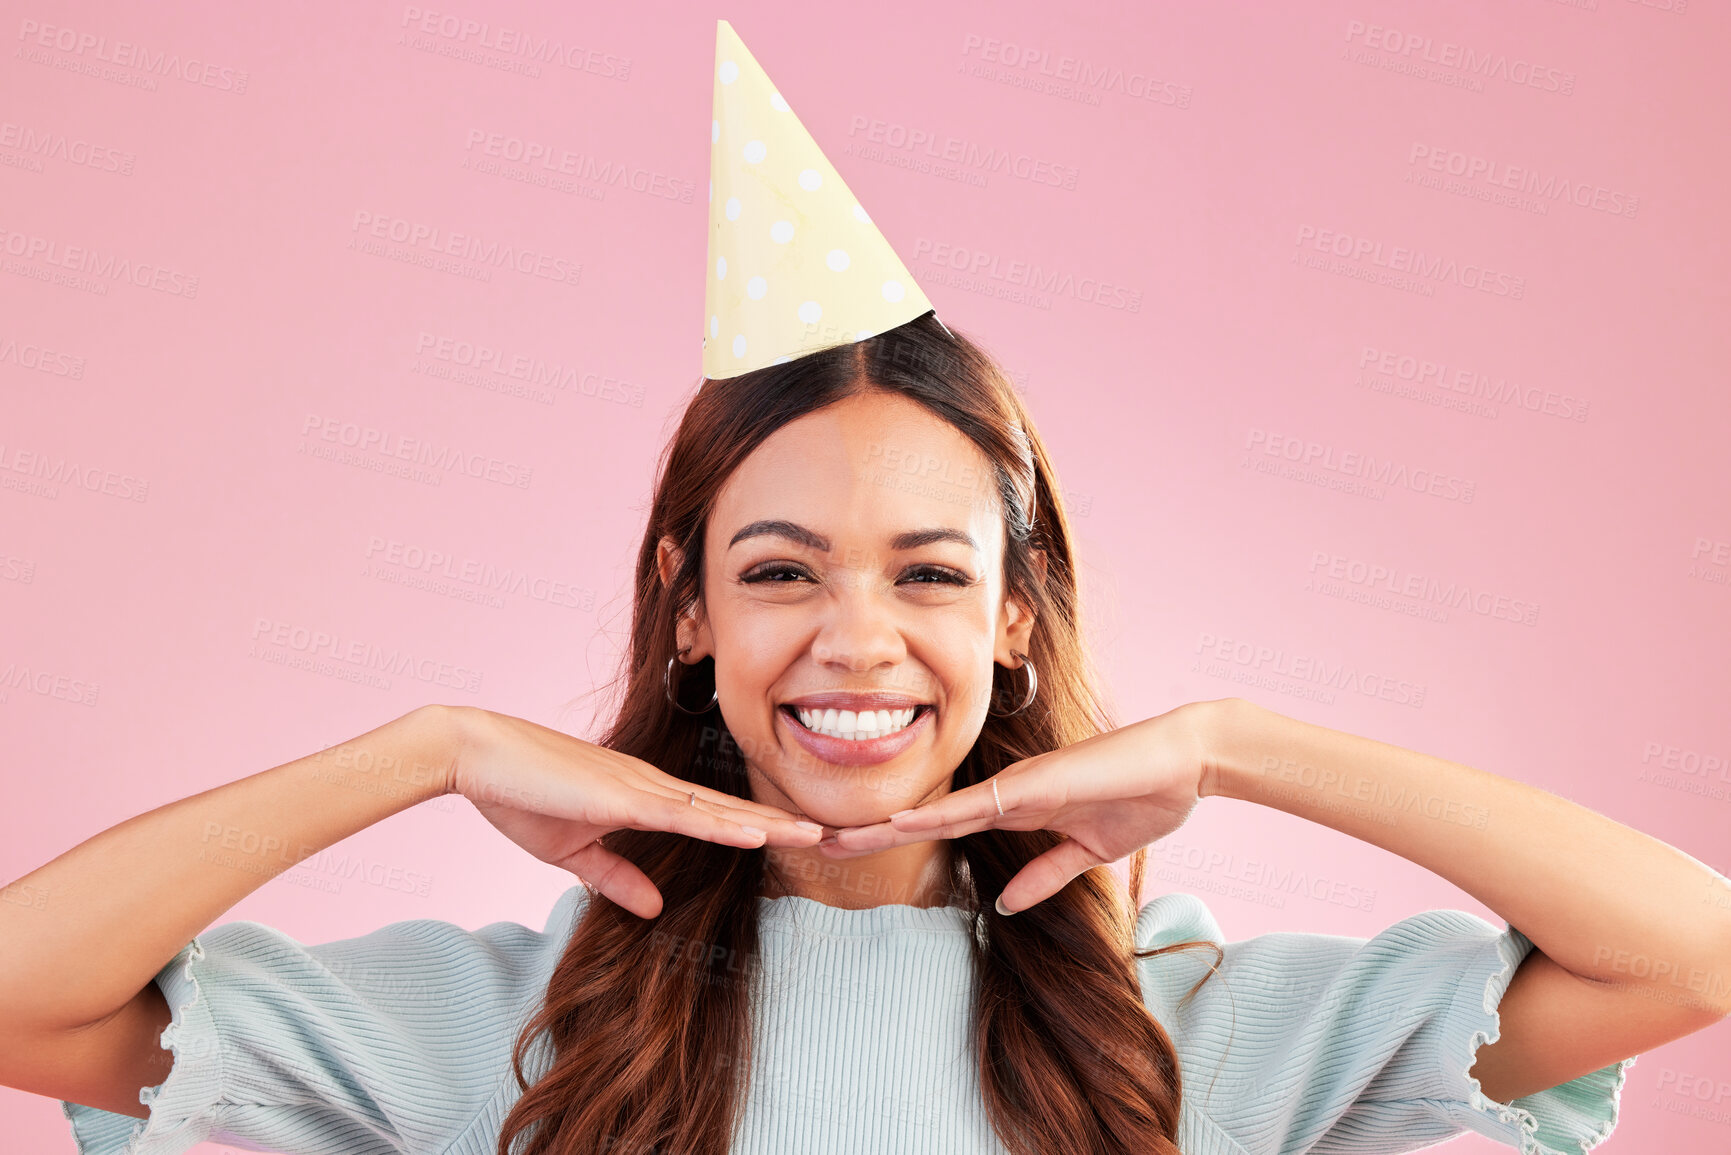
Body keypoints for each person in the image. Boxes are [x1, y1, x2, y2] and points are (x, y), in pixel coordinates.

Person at [5, 19, 1726, 1155]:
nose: (854, 640)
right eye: (779, 570)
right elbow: (27, 1002)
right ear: (689, 611)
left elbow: (1693, 951)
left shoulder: (1182, 1025)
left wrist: (1237, 745)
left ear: (1014, 617)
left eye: (928, 573)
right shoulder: (513, 1021)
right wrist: (427, 748)